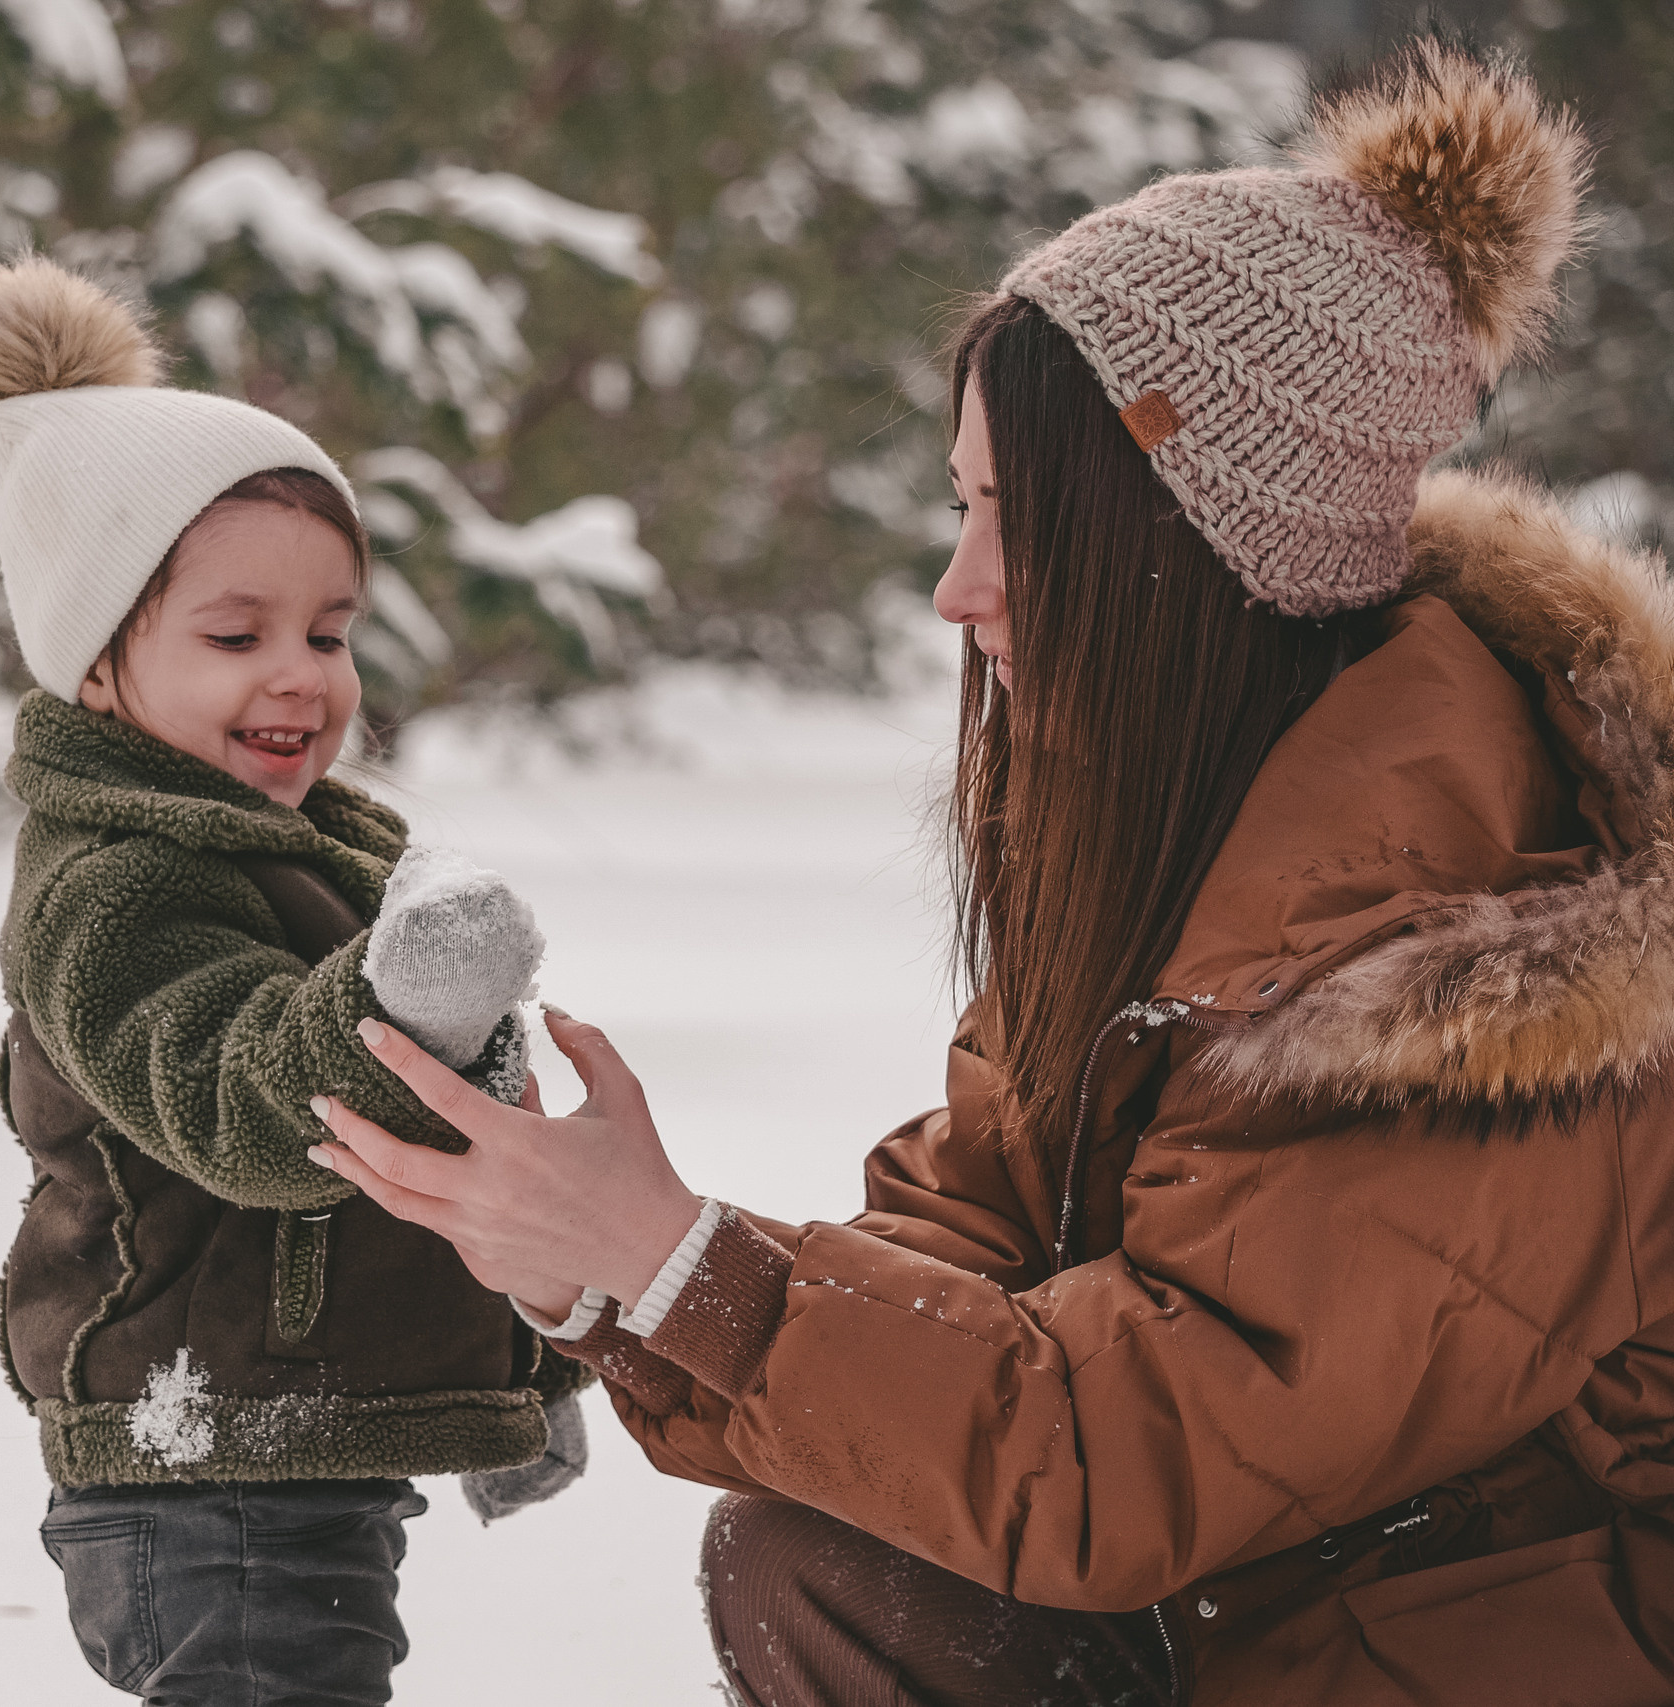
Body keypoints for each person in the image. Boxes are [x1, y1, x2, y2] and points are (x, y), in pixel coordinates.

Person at [309, 40, 1674, 1707]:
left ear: (1199, 545)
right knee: (826, 1563)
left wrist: (688, 1264)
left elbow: (1132, 1447)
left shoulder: (1487, 965)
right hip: (1290, 1595)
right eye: (959, 509)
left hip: (1508, 1652)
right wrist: (606, 1273)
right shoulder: (1200, 834)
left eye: (1012, 517)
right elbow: (966, 1252)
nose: (958, 590)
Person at [0, 255, 587, 1706]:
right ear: (96, 661)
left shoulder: (306, 856)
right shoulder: (114, 889)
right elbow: (247, 1111)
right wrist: (402, 1004)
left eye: (329, 634)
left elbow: (450, 1148)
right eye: (235, 636)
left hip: (288, 1448)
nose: (303, 678)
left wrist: (514, 1376)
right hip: (200, 1468)